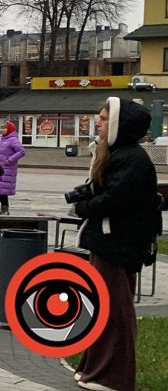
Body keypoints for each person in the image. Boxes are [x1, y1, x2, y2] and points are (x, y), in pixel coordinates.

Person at [71, 98, 159, 391]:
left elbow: (114, 200)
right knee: (102, 310)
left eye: (104, 117)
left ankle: (113, 377)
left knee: (114, 314)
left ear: (121, 124)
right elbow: (106, 191)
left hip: (118, 246)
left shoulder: (131, 158)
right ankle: (95, 369)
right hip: (108, 243)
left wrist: (83, 206)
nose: (98, 122)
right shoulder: (117, 154)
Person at [0, 121, 26, 215]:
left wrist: (10, 160)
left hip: (7, 169)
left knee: (3, 190)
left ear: (10, 129)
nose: (2, 129)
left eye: (4, 128)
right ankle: (2, 208)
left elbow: (21, 151)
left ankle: (5, 208)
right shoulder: (0, 139)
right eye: (1, 127)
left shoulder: (13, 139)